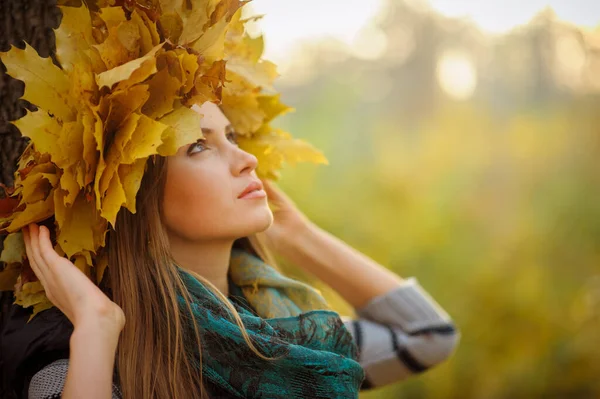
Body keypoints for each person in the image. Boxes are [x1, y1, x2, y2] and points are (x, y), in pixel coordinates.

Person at [0, 2, 459, 398]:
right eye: (199, 146)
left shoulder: (279, 336)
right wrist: (97, 327)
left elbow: (428, 338)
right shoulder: (76, 353)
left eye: (232, 136)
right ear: (133, 194)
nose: (246, 160)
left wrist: (296, 235)